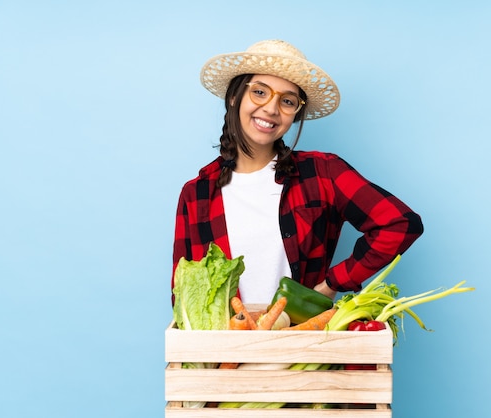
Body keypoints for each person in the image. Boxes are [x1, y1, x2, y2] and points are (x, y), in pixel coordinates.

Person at [172, 39, 423, 305]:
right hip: (226, 343)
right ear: (234, 97)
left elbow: (401, 223)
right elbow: (184, 292)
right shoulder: (196, 194)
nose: (271, 108)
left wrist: (334, 283)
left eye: (287, 101)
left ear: (295, 113)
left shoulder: (323, 173)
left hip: (304, 338)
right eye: (259, 92)